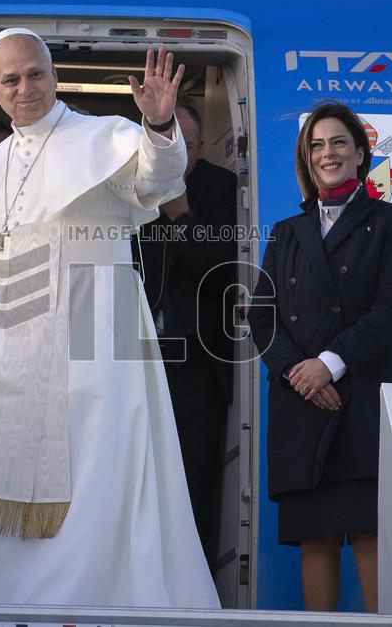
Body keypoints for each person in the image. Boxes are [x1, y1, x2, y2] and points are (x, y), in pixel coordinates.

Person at [0, 28, 219, 609]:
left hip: (98, 329)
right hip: (10, 339)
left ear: (53, 75)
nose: (26, 88)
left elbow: (156, 181)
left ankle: (89, 601)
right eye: (11, 80)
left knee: (98, 463)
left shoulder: (102, 136)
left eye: (35, 73)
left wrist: (161, 127)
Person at [246, 102, 392, 612]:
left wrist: (331, 363)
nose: (329, 153)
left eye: (339, 142)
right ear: (307, 158)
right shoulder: (285, 232)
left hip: (363, 399)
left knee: (370, 536)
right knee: (315, 539)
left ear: (362, 153)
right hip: (302, 402)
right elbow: (261, 316)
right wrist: (299, 372)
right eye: (317, 145)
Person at [134, 99, 237, 568]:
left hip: (196, 363)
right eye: (165, 145)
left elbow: (220, 273)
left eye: (185, 146)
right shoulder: (127, 188)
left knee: (193, 479)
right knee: (132, 478)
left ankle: (188, 591)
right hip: (129, 360)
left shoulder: (221, 188)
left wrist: (180, 215)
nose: (177, 156)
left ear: (198, 146)